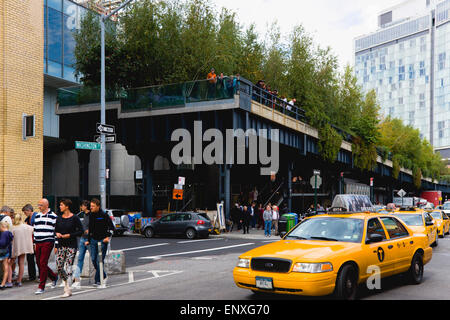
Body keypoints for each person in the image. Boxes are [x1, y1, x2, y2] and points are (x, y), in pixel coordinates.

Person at [54, 199, 83, 297]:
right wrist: (57, 235)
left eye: (61, 205)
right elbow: (55, 231)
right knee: (59, 267)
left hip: (71, 245)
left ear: (67, 206)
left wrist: (69, 235)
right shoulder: (59, 218)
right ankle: (67, 282)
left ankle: (67, 289)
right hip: (61, 245)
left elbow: (81, 231)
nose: (60, 207)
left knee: (68, 267)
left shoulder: (74, 218)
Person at [85, 198, 114, 286]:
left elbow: (112, 227)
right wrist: (88, 240)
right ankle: (103, 275)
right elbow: (90, 229)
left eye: (93, 206)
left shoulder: (104, 215)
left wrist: (107, 237)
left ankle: (98, 280)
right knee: (93, 259)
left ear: (98, 206)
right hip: (93, 239)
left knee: (99, 260)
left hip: (102, 239)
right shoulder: (91, 215)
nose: (91, 208)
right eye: (90, 206)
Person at [34, 198, 58, 295]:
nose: (39, 207)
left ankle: (41, 286)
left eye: (41, 205)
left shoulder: (53, 216)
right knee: (39, 263)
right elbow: (35, 230)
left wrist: (56, 245)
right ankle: (53, 277)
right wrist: (34, 243)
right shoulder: (37, 216)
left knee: (43, 262)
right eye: (38, 205)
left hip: (48, 241)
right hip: (38, 242)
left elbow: (56, 231)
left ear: (46, 205)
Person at [11, 212, 34, 287]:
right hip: (24, 247)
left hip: (14, 248)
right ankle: (19, 281)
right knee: (21, 263)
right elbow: (34, 230)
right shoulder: (27, 227)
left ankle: (9, 280)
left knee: (9, 264)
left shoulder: (12, 228)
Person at [72, 200, 90, 289]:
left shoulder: (91, 215)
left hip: (90, 239)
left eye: (82, 206)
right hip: (83, 238)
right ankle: (76, 277)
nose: (81, 207)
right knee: (80, 258)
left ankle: (102, 275)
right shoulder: (83, 215)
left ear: (86, 206)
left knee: (95, 259)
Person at [23, 204, 38, 281]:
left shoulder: (36, 217)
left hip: (35, 242)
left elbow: (36, 231)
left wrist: (35, 243)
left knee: (38, 259)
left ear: (29, 211)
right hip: (30, 242)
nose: (25, 214)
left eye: (25, 212)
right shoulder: (27, 219)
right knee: (30, 259)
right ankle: (32, 276)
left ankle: (42, 276)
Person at [0, 220, 13, 290]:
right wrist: (10, 256)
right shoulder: (9, 233)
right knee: (6, 268)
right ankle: (3, 283)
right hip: (7, 252)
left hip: (1, 252)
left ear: (2, 226)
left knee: (4, 268)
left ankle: (2, 283)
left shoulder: (4, 233)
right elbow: (10, 245)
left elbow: (2, 243)